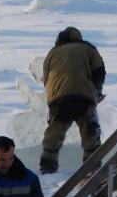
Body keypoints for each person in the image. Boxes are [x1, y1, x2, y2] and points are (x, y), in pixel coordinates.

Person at [39, 27, 106, 174]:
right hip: (84, 97)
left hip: (58, 100)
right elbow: (99, 71)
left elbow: (46, 79)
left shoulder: (52, 53)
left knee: (54, 134)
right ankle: (92, 170)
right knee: (90, 132)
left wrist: (54, 98)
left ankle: (47, 168)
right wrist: (97, 92)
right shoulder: (88, 48)